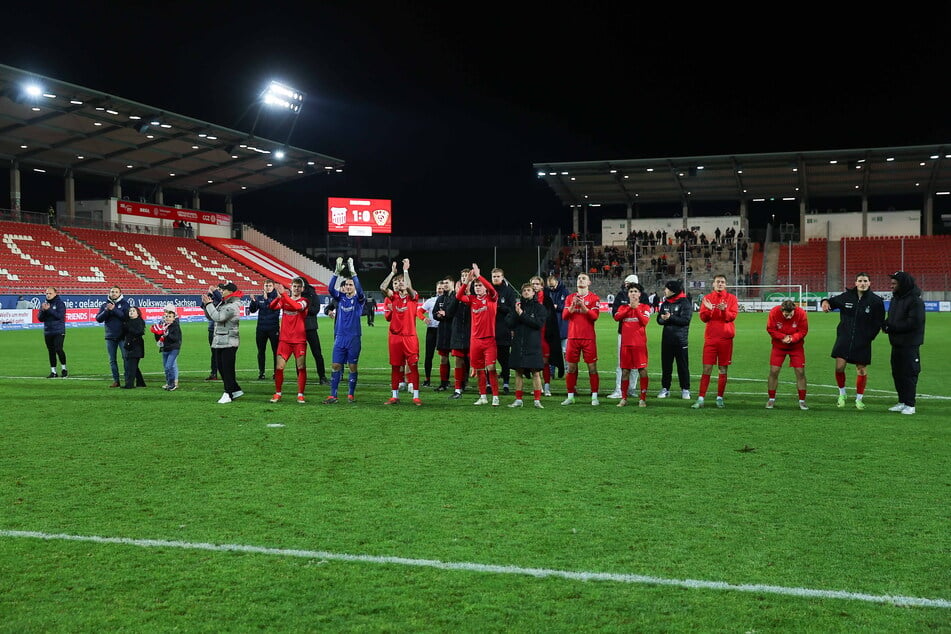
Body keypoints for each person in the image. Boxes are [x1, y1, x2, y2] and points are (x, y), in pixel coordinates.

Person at [820, 272, 885, 409]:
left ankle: (859, 399)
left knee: (861, 370)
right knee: (839, 367)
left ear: (869, 283)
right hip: (844, 338)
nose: (862, 283)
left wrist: (869, 337)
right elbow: (829, 301)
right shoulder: (846, 297)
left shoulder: (876, 301)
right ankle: (842, 394)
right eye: (860, 280)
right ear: (855, 283)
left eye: (865, 281)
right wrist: (824, 302)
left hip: (863, 341)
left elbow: (878, 322)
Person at [692, 274, 739, 409]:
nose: (720, 284)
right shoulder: (707, 299)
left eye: (722, 282)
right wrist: (710, 309)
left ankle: (720, 398)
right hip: (711, 338)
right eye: (717, 282)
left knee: (723, 368)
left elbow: (731, 317)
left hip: (725, 338)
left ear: (726, 284)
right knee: (706, 368)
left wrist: (723, 311)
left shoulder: (732, 299)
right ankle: (701, 398)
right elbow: (704, 318)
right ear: (713, 284)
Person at [324, 257, 366, 403]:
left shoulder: (359, 299)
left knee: (352, 367)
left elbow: (360, 290)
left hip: (354, 338)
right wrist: (336, 273)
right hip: (340, 337)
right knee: (336, 365)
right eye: (347, 284)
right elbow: (330, 289)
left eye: (351, 284)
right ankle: (333, 395)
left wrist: (353, 272)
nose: (348, 286)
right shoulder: (341, 298)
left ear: (354, 286)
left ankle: (350, 394)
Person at [457, 264, 500, 406]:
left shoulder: (492, 298)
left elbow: (492, 288)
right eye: (476, 286)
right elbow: (458, 296)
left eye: (480, 286)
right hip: (475, 341)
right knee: (480, 370)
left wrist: (479, 275)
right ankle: (482, 396)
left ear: (485, 287)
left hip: (489, 340)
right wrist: (467, 281)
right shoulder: (472, 300)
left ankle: (495, 396)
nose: (478, 288)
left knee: (491, 369)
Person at [380, 259, 422, 405]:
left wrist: (405, 271)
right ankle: (394, 395)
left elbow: (410, 288)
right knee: (395, 367)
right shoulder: (394, 297)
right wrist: (392, 273)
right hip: (395, 338)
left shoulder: (413, 296)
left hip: (410, 337)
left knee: (413, 366)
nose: (399, 285)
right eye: (397, 283)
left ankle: (416, 396)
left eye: (401, 282)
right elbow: (382, 287)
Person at [883, 271, 925, 415]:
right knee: (897, 373)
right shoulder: (896, 299)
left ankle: (910, 404)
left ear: (903, 284)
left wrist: (892, 327)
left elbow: (914, 323)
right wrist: (885, 324)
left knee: (909, 373)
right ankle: (902, 401)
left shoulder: (915, 301)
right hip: (896, 343)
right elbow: (892, 318)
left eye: (894, 283)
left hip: (910, 344)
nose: (891, 286)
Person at [560, 272, 601, 406]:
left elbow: (594, 316)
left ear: (589, 283)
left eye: (583, 278)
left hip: (588, 338)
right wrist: (572, 305)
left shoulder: (594, 298)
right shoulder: (570, 297)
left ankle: (594, 396)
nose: (580, 280)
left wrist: (583, 306)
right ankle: (570, 396)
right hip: (572, 337)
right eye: (578, 278)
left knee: (592, 368)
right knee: (571, 368)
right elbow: (565, 316)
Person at [268, 277, 311, 404]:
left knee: (301, 367)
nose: (296, 288)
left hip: (299, 340)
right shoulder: (285, 299)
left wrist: (284, 296)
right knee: (279, 367)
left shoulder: (305, 301)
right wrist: (279, 297)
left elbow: (297, 307)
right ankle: (278, 393)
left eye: (299, 286)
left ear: (302, 289)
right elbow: (272, 306)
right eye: (294, 286)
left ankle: (300, 394)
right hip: (285, 340)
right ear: (291, 287)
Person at [201, 282, 244, 404]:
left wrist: (209, 304)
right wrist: (206, 305)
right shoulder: (225, 302)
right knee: (222, 368)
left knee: (227, 369)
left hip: (230, 341)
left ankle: (228, 393)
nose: (221, 291)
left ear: (230, 292)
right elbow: (211, 316)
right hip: (220, 340)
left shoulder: (233, 305)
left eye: (223, 290)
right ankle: (235, 390)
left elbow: (218, 317)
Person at [506, 282, 547, 409]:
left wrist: (522, 315)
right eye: (524, 291)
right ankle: (518, 400)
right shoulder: (516, 306)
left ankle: (537, 400)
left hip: (533, 344)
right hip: (518, 343)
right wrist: (516, 313)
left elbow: (538, 324)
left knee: (536, 373)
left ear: (533, 292)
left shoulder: (539, 307)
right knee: (518, 372)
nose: (526, 292)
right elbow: (509, 323)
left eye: (529, 290)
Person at [608, 274, 649, 399]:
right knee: (622, 365)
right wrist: (628, 308)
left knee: (637, 367)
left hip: (638, 337)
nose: (627, 286)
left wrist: (635, 308)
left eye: (629, 284)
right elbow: (615, 314)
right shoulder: (621, 296)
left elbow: (645, 318)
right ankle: (619, 390)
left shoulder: (644, 298)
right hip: (624, 334)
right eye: (627, 285)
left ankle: (632, 388)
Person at [766, 299, 809, 410]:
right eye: (786, 315)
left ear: (794, 310)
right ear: (782, 310)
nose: (788, 317)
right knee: (774, 371)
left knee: (800, 372)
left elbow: (803, 330)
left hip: (796, 347)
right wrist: (782, 337)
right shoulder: (774, 312)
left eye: (790, 315)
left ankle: (802, 401)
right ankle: (771, 399)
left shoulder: (801, 314)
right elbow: (770, 329)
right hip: (779, 346)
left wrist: (792, 338)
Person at [656, 280, 693, 402]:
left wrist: (670, 318)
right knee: (666, 367)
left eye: (666, 288)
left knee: (682, 366)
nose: (664, 291)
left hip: (680, 340)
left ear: (672, 290)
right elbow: (659, 320)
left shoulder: (685, 303)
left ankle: (685, 389)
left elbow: (685, 320)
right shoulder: (665, 303)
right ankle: (665, 388)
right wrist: (663, 319)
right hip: (666, 340)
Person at [532, 275, 562, 396]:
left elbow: (552, 319)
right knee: (534, 363)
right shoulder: (528, 298)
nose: (535, 286)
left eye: (537, 284)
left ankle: (547, 386)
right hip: (533, 335)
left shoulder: (547, 299)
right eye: (533, 284)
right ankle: (538, 387)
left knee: (545, 362)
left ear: (542, 286)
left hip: (545, 335)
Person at [95, 285, 130, 387]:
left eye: (116, 292)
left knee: (125, 358)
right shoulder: (105, 305)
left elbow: (125, 317)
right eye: (112, 292)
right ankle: (116, 380)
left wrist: (114, 309)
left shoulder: (125, 304)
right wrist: (106, 310)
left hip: (122, 336)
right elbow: (98, 319)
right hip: (110, 336)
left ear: (120, 293)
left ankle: (128, 379)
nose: (113, 293)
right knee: (112, 360)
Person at [491, 267, 519, 394]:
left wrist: (500, 307)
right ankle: (489, 383)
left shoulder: (508, 291)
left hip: (503, 329)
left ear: (502, 277)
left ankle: (506, 383)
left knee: (504, 359)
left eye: (498, 276)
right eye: (494, 276)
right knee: (490, 359)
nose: (496, 278)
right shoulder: (488, 290)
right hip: (489, 331)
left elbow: (512, 309)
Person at [446, 268, 472, 400]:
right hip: (457, 333)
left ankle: (482, 388)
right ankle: (457, 389)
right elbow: (449, 312)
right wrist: (458, 295)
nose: (464, 278)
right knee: (458, 361)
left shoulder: (476, 294)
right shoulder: (454, 296)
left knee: (473, 362)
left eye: (467, 276)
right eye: (463, 276)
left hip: (472, 334)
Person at [247, 279, 280, 380]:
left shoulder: (277, 297)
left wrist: (266, 300)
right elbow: (252, 310)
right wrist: (253, 302)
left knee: (276, 351)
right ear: (263, 287)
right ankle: (261, 373)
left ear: (273, 286)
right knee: (261, 351)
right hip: (261, 328)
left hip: (273, 328)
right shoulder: (260, 298)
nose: (268, 287)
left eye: (270, 285)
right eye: (266, 285)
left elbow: (273, 307)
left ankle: (276, 372)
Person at [300, 280, 329, 385]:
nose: (298, 287)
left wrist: (304, 309)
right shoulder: (295, 294)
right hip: (298, 328)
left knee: (317, 353)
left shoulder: (312, 294)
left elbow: (316, 309)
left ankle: (322, 377)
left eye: (300, 285)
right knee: (299, 355)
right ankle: (301, 378)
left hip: (311, 327)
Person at [37, 287, 67, 378]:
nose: (48, 295)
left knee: (58, 349)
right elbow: (40, 318)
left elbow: (60, 316)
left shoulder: (60, 304)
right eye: (46, 293)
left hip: (58, 331)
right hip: (48, 331)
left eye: (50, 293)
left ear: (55, 293)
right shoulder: (44, 305)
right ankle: (53, 372)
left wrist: (49, 310)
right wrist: (43, 311)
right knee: (51, 351)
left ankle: (64, 368)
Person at [431, 276, 455, 392]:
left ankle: (461, 383)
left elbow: (454, 313)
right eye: (444, 283)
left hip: (454, 331)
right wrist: (438, 315)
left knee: (459, 359)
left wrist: (446, 314)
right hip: (443, 331)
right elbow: (434, 312)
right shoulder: (440, 298)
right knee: (443, 359)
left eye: (447, 283)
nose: (445, 285)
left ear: (452, 284)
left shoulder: (456, 297)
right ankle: (443, 383)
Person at [151, 305, 182, 391]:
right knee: (166, 367)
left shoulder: (175, 326)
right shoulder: (162, 325)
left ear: (174, 318)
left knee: (169, 366)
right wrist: (157, 333)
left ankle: (173, 383)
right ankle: (169, 383)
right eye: (166, 316)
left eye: (170, 317)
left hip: (174, 348)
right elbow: (158, 339)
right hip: (165, 348)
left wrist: (166, 334)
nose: (167, 318)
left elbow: (176, 338)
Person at [419, 283, 440, 388]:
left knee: (444, 356)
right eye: (438, 288)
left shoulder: (448, 300)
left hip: (443, 331)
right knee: (429, 355)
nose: (440, 290)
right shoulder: (430, 301)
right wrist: (424, 318)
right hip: (431, 330)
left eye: (442, 288)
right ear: (436, 289)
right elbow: (419, 311)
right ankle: (427, 379)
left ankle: (444, 381)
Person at [120, 306, 147, 388]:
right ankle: (141, 383)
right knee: (134, 366)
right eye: (130, 311)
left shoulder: (139, 321)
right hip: (129, 345)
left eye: (133, 311)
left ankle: (129, 385)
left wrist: (128, 327)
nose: (131, 312)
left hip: (136, 346)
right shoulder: (127, 322)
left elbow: (140, 332)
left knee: (131, 366)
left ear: (137, 313)